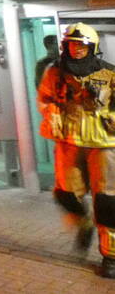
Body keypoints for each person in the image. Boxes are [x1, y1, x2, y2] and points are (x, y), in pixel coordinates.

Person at [38, 22, 115, 279]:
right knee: (65, 194)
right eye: (72, 44)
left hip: (104, 144)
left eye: (81, 45)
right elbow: (45, 98)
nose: (77, 49)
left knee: (108, 202)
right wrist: (52, 113)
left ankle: (111, 256)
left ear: (92, 47)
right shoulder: (55, 73)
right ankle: (84, 222)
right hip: (69, 141)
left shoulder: (110, 73)